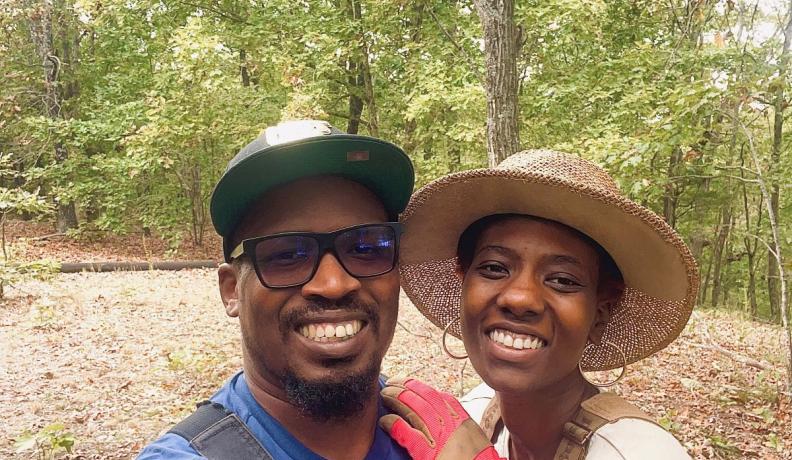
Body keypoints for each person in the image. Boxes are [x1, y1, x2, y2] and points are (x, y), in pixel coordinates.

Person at [380, 150, 699, 459]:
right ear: (464, 283)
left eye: (562, 280)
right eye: (494, 267)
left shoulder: (639, 451)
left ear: (600, 312)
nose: (520, 298)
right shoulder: (472, 415)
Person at [138, 119, 415, 459]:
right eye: (287, 255)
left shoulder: (437, 432)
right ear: (232, 291)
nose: (333, 284)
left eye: (365, 248)